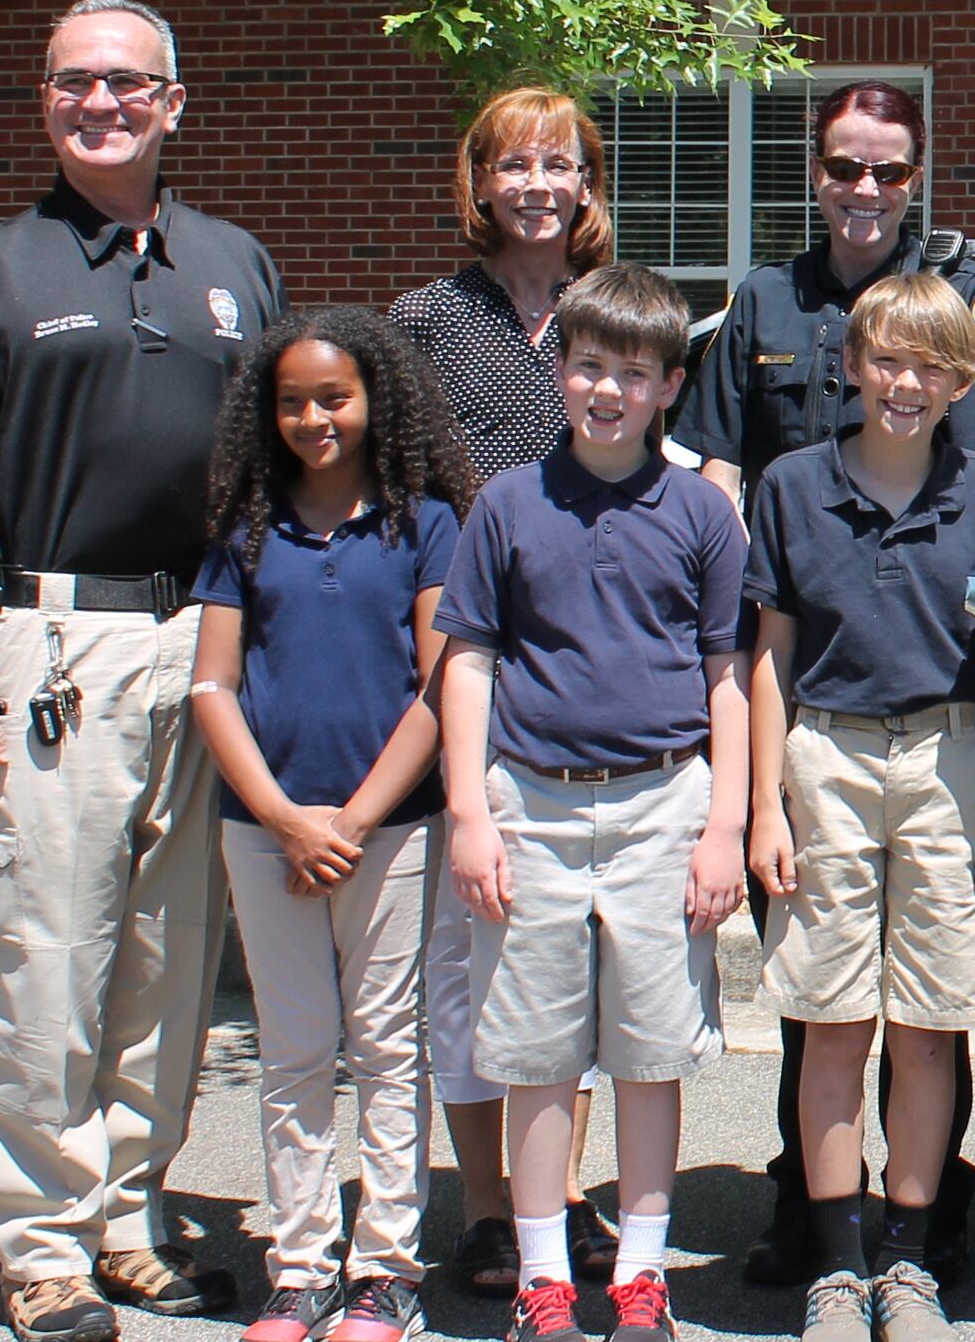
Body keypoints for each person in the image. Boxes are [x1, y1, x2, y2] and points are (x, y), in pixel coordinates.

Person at [0, 0, 285, 1342]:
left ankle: (128, 1218)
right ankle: (40, 1241)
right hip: (49, 649)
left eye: (126, 84)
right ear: (47, 100)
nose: (98, 104)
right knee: (48, 953)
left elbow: (282, 465)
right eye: (72, 83)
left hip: (202, 644)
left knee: (171, 963)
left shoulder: (236, 263)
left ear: (175, 102)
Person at [677, 80, 975, 1283]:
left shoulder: (964, 298)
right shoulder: (763, 301)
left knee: (931, 1009)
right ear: (816, 170)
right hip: (805, 664)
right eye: (846, 166)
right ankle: (810, 1215)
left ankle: (927, 1224)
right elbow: (724, 468)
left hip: (924, 681)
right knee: (820, 996)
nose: (866, 188)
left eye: (888, 169)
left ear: (917, 172)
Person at [435, 265, 751, 1342]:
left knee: (652, 1055)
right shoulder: (510, 505)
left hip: (666, 806)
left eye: (631, 373)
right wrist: (470, 814)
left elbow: (725, 675)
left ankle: (643, 1279)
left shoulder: (702, 511)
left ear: (669, 386)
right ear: (558, 371)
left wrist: (727, 828)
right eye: (586, 367)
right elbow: (468, 661)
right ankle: (543, 1282)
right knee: (536, 1057)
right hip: (531, 807)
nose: (605, 390)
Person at [741, 273, 975, 1342]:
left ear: (960, 383)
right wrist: (766, 806)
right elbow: (766, 655)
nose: (906, 384)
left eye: (930, 367)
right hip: (824, 755)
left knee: (924, 1028)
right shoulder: (790, 485)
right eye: (888, 362)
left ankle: (908, 1266)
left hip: (947, 760)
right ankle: (837, 1265)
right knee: (831, 1021)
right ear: (854, 366)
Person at [189, 310, 471, 1342]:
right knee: (297, 1050)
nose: (314, 417)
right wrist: (284, 818)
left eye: (334, 397)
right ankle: (300, 1266)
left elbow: (443, 687)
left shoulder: (425, 521)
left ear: (374, 401)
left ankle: (384, 1268)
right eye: (294, 400)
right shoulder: (244, 528)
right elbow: (212, 687)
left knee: (391, 1048)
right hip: (264, 831)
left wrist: (351, 818)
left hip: (389, 831)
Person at [388, 86, 619, 1299]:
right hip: (465, 660)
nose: (537, 183)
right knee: (469, 949)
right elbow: (396, 500)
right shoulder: (424, 322)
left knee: (567, 947)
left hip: (590, 669)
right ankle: (484, 1205)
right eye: (513, 164)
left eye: (560, 164)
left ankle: (560, 1193)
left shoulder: (610, 315)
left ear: (588, 185)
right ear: (477, 183)